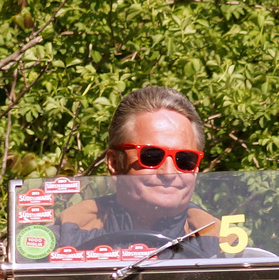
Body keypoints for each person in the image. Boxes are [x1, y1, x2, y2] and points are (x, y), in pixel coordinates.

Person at [52, 86, 220, 259]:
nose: (169, 173)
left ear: (197, 169)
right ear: (115, 164)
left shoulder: (221, 243)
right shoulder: (68, 235)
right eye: (151, 156)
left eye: (185, 159)